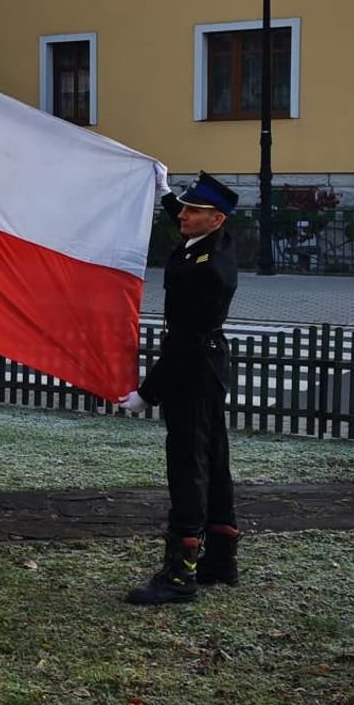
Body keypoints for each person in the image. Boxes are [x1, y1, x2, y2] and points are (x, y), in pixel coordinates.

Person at [118, 172, 241, 606]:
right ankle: (220, 560)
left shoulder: (203, 274)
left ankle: (180, 573)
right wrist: (165, 193)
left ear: (217, 219)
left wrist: (146, 394)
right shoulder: (216, 244)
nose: (183, 217)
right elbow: (187, 218)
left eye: (194, 211)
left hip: (192, 368)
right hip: (209, 367)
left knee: (188, 466)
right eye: (185, 208)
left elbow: (182, 344)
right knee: (214, 459)